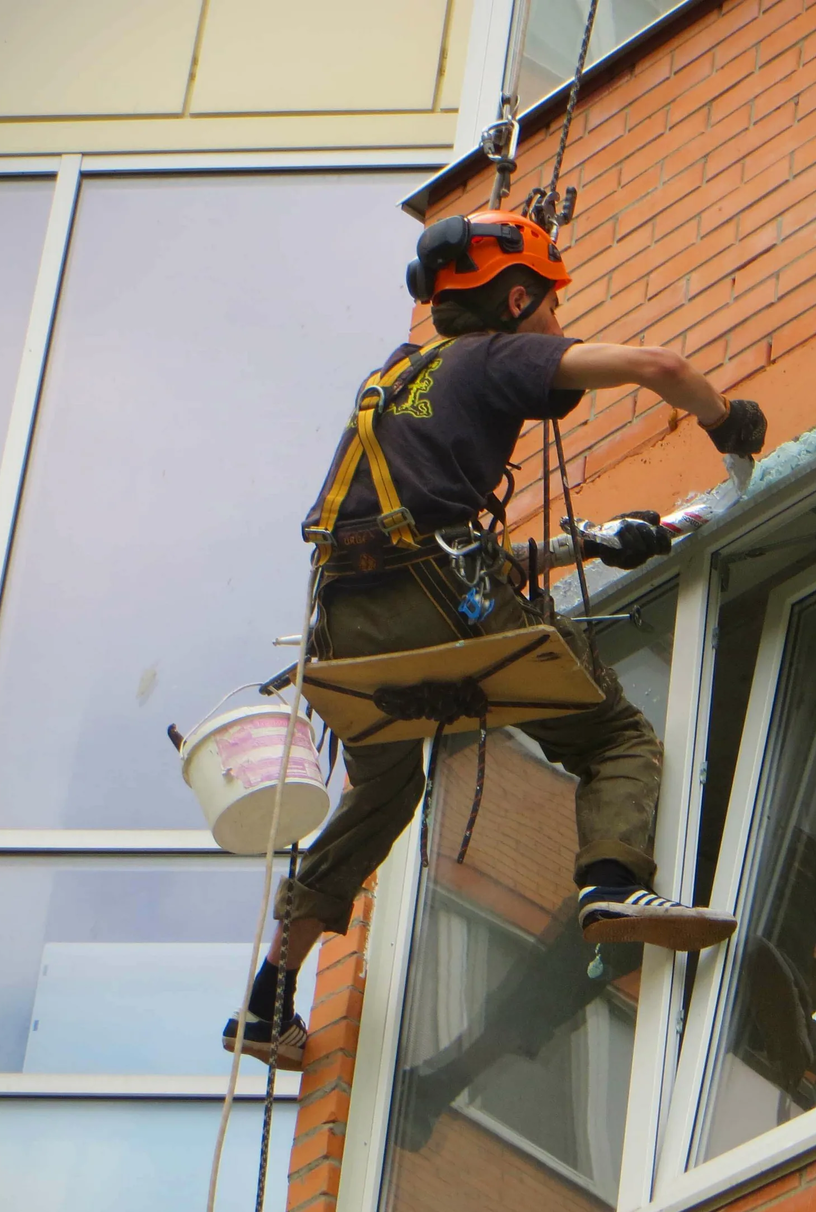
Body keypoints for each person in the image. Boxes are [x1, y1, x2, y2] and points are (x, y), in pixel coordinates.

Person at [223, 209, 767, 1068]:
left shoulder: (395, 382)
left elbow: (434, 539)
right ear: (516, 298)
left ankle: (270, 995)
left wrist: (591, 541)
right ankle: (612, 886)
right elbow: (656, 365)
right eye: (549, 305)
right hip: (436, 599)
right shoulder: (497, 354)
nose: (557, 323)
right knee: (615, 737)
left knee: (384, 793)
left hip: (349, 626)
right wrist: (726, 420)